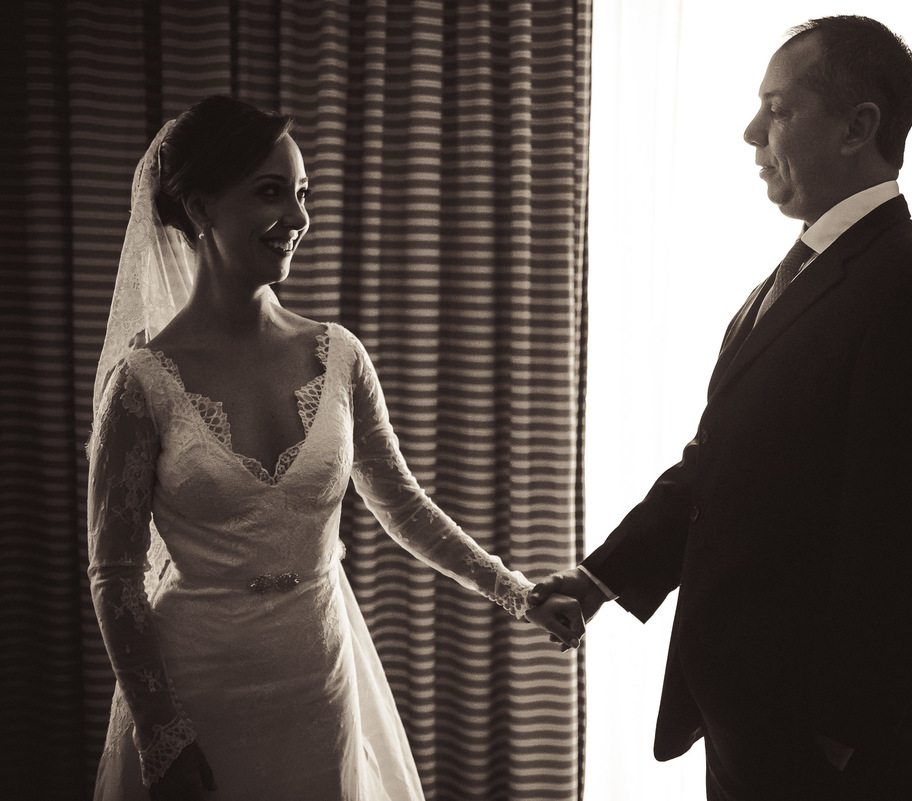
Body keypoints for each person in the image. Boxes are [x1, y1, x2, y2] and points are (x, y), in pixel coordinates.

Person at [535, 15, 912, 801]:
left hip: (825, 741)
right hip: (747, 715)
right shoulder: (782, 284)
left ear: (859, 126)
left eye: (777, 109)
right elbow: (715, 465)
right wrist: (599, 577)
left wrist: (836, 733)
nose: (751, 132)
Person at [87, 95, 585, 801]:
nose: (297, 219)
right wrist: (162, 729)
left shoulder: (339, 355)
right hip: (196, 687)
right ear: (200, 208)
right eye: (270, 193)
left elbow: (403, 506)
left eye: (301, 195)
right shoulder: (141, 384)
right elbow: (114, 575)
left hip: (316, 679)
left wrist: (516, 590)